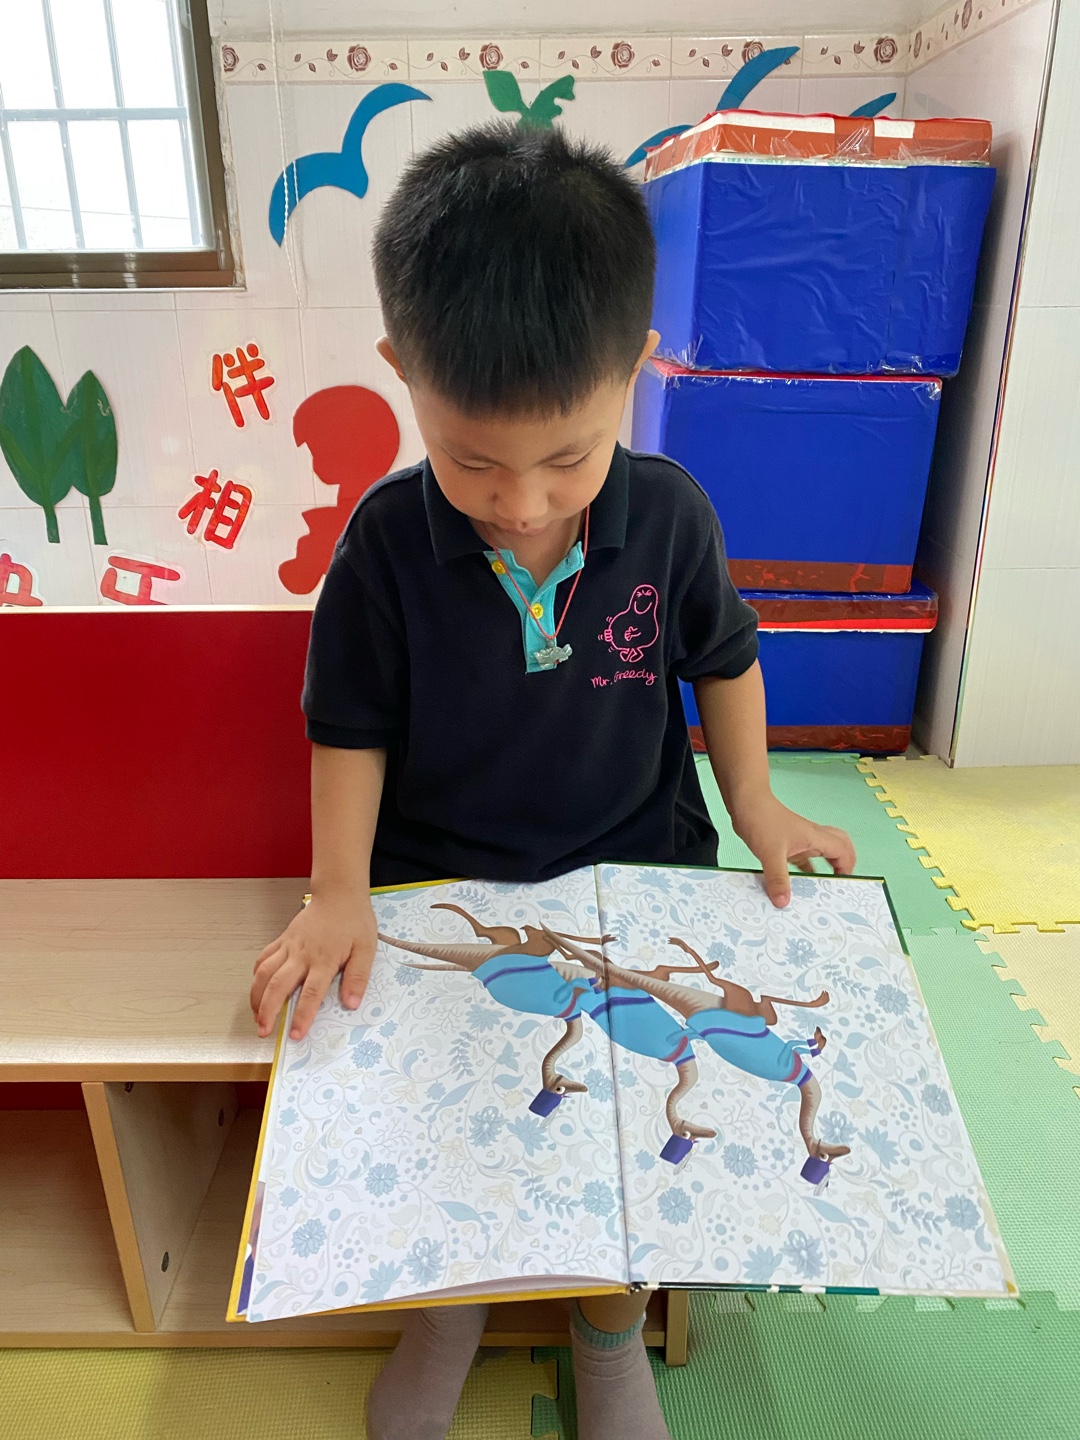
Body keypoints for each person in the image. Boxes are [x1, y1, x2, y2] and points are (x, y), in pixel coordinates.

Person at [250, 122, 856, 1440]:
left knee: (628, 1112)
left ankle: (608, 1330)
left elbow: (726, 661)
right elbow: (346, 726)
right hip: (441, 882)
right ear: (404, 375)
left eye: (568, 459)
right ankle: (450, 1309)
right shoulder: (384, 543)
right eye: (473, 461)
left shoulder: (674, 515)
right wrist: (338, 890)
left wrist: (754, 803)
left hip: (633, 869)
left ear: (636, 372)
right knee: (451, 1108)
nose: (522, 503)